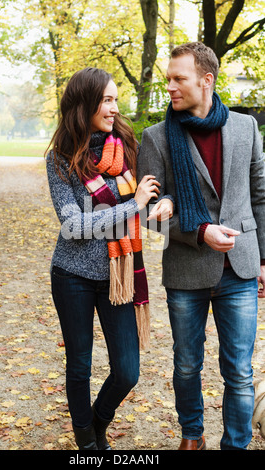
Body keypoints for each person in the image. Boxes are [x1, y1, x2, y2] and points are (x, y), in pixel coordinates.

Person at [137, 42, 265, 450]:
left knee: (239, 372)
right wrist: (199, 231)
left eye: (179, 79)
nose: (170, 86)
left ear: (206, 80)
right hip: (187, 268)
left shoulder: (246, 128)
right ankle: (192, 434)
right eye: (168, 78)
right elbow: (148, 212)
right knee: (187, 365)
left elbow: (260, 195)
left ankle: (236, 444)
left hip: (240, 268)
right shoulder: (156, 137)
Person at [45, 67, 173, 450]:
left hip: (121, 274)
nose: (115, 108)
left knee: (127, 372)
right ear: (84, 104)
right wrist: (131, 205)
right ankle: (86, 442)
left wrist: (161, 203)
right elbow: (74, 225)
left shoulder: (131, 149)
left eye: (116, 99)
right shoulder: (61, 159)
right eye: (106, 99)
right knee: (80, 365)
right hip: (72, 274)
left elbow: (160, 193)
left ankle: (98, 421)